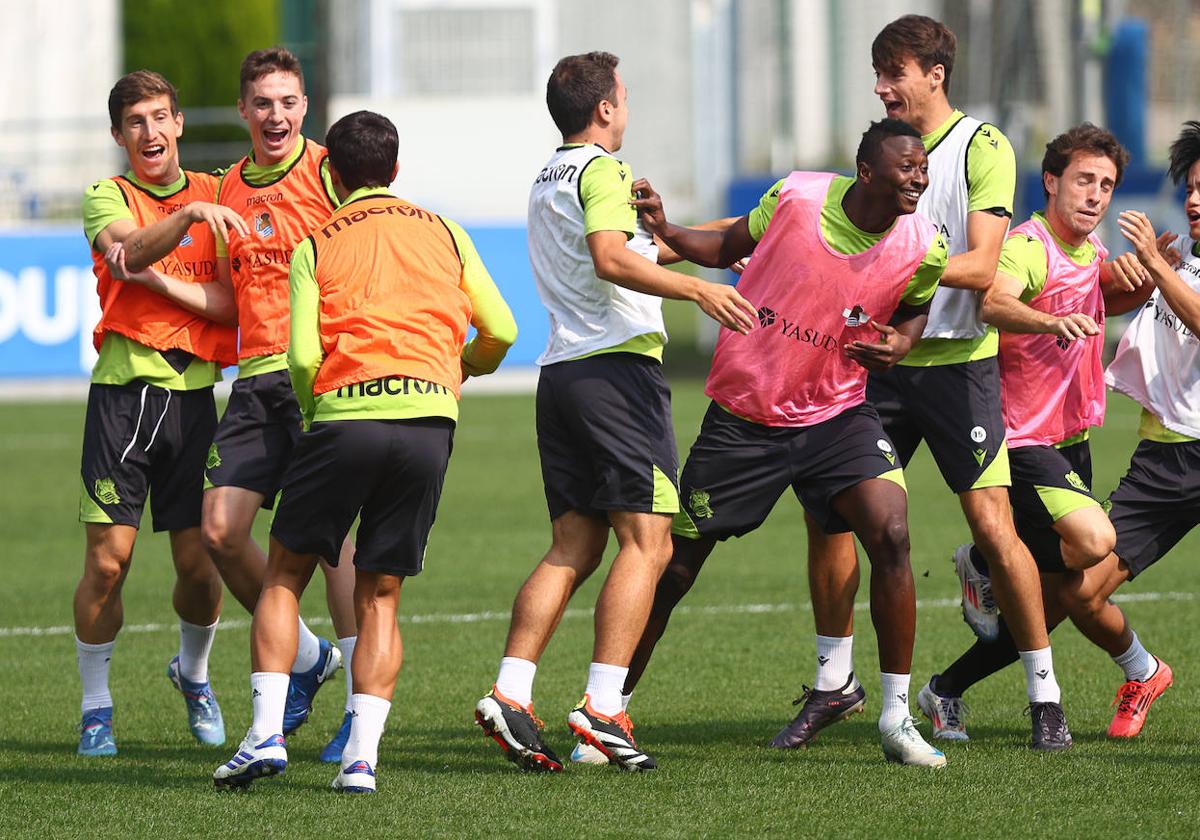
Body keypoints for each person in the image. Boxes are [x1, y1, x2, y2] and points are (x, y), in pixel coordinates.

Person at [627, 118, 952, 767]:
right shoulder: (798, 196)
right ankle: (610, 705)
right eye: (905, 166)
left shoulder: (926, 242)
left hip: (839, 415)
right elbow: (725, 246)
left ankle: (894, 716)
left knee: (890, 533)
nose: (918, 176)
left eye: (922, 166)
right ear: (866, 172)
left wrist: (903, 341)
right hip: (747, 415)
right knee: (677, 566)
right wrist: (666, 232)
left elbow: (916, 302)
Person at [213, 109, 517, 792]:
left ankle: (264, 736)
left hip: (346, 415)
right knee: (382, 592)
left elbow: (300, 356)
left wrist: (321, 412)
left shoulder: (315, 244)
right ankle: (361, 760)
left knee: (285, 575)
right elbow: (502, 329)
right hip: (430, 421)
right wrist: (462, 370)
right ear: (397, 169)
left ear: (330, 173)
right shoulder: (445, 230)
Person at [790, 14, 1069, 751]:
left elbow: (981, 267)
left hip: (958, 366)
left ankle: (1045, 693)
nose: (882, 89)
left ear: (935, 74)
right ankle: (832, 685)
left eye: (895, 74)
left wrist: (891, 262)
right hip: (873, 367)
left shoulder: (983, 147)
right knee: (832, 520)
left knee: (992, 527)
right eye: (878, 76)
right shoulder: (881, 153)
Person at [474, 51, 757, 773]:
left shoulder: (549, 175)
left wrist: (672, 237)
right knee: (649, 541)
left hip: (564, 375)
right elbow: (608, 256)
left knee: (575, 545)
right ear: (603, 109)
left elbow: (628, 246)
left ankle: (511, 692)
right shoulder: (601, 170)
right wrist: (698, 293)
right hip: (616, 375)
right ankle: (603, 707)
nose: (627, 109)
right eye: (624, 98)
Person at [919, 122, 1200, 740]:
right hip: (1036, 440)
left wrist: (1150, 276)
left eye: (1106, 185)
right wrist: (1055, 322)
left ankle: (946, 687)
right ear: (1051, 181)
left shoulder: (1098, 254)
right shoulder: (1028, 245)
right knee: (1086, 556)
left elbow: (1098, 304)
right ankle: (993, 571)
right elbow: (995, 300)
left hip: (1071, 438)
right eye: (1083, 180)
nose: (1096, 195)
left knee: (1052, 594)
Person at [75, 70, 247, 755]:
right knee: (109, 564)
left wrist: (158, 277)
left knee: (202, 562)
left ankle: (195, 676)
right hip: (124, 396)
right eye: (134, 122)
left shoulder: (218, 192)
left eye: (159, 117)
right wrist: (183, 223)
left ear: (179, 123)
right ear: (118, 137)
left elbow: (234, 307)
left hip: (197, 400)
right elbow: (125, 254)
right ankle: (96, 707)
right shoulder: (106, 195)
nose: (149, 132)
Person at [202, 47, 358, 762]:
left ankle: (360, 709)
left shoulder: (331, 170)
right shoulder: (227, 187)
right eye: (263, 102)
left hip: (321, 377)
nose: (276, 115)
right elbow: (230, 295)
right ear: (243, 109)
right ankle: (303, 656)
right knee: (220, 532)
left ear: (306, 105)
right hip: (254, 383)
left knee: (333, 549)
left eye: (288, 101)